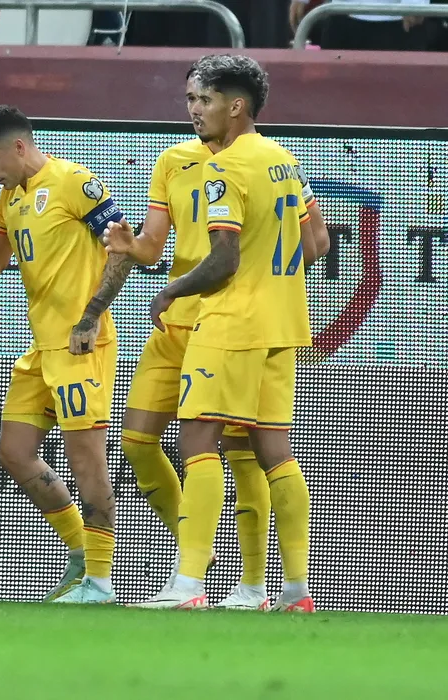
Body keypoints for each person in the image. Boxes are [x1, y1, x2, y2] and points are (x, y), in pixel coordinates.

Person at [110, 58, 329, 610]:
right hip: (283, 324)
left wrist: (173, 289)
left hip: (230, 323)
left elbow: (224, 259)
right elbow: (317, 245)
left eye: (204, 99)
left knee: (197, 441)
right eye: (191, 98)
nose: (194, 110)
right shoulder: (283, 160)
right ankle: (292, 589)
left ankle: (188, 584)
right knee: (274, 451)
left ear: (235, 106)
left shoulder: (223, 167)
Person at [0, 105, 133, 605]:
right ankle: (80, 552)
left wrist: (91, 317)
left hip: (80, 344)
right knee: (14, 452)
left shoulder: (74, 182)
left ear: (20, 147)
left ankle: (101, 581)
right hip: (41, 347)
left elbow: (122, 249)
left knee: (86, 458)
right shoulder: (11, 197)